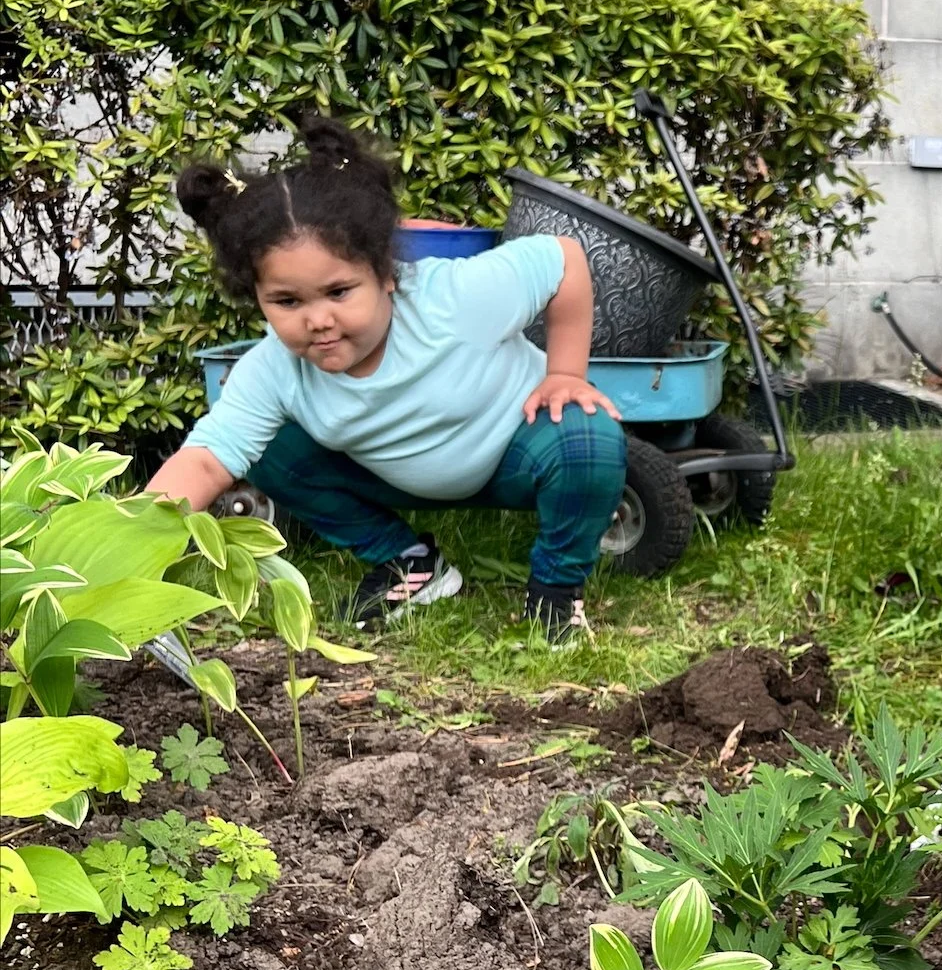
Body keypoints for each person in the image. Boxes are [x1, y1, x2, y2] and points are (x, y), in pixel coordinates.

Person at [146, 118, 626, 639]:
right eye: (287, 302)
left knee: (587, 434)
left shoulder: (455, 300)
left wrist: (564, 373)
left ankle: (555, 594)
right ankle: (411, 563)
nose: (318, 320)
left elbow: (563, 258)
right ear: (258, 299)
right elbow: (204, 461)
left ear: (386, 274)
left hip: (512, 451)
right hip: (389, 474)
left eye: (339, 292)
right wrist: (124, 539)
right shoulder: (272, 370)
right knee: (264, 449)